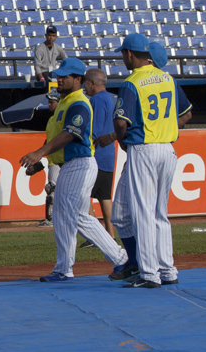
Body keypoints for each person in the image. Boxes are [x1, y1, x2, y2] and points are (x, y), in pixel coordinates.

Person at [19, 58, 128, 282]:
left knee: (64, 214)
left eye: (65, 77)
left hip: (80, 163)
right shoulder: (64, 103)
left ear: (78, 80)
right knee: (76, 216)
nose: (59, 79)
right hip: (70, 164)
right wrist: (40, 163)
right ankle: (120, 258)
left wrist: (39, 153)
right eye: (59, 76)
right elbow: (56, 141)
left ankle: (64, 268)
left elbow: (69, 134)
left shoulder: (78, 102)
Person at [105, 35, 191, 288]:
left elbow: (121, 122)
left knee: (142, 212)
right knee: (159, 213)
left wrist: (121, 139)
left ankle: (149, 274)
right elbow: (187, 114)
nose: (122, 58)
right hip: (167, 148)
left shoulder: (132, 82)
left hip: (144, 149)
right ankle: (168, 270)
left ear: (131, 54)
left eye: (123, 53)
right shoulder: (168, 79)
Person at [81, 68, 117, 246]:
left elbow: (93, 131)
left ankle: (95, 236)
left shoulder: (96, 100)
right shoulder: (112, 98)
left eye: (85, 82)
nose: (84, 86)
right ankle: (111, 236)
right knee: (105, 196)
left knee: (84, 194)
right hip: (109, 154)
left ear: (92, 83)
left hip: (97, 155)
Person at [39, 91, 61, 228]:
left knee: (52, 188)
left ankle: (52, 219)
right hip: (52, 159)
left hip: (60, 159)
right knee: (52, 188)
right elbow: (49, 139)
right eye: (49, 102)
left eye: (52, 102)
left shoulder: (61, 118)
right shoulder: (51, 120)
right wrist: (40, 155)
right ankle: (52, 218)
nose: (49, 105)